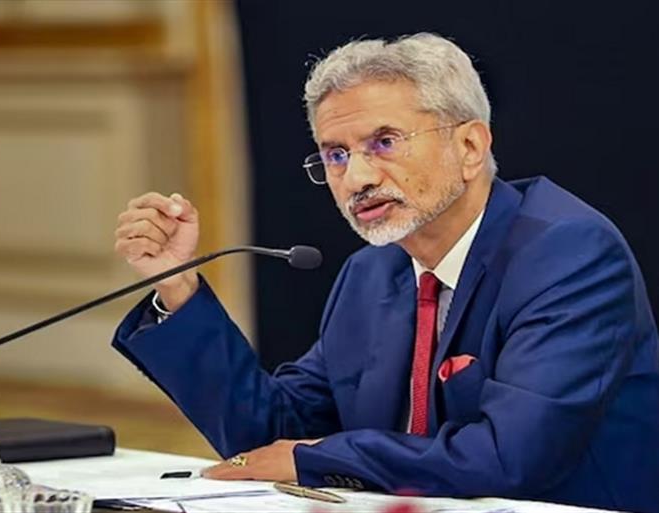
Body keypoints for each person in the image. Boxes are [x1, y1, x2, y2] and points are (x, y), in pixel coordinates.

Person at [111, 33, 659, 513]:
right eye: (335, 155)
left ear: (470, 146)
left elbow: (508, 457)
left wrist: (316, 457)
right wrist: (178, 286)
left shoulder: (567, 254)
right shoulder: (371, 273)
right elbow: (272, 438)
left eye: (385, 143)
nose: (357, 178)